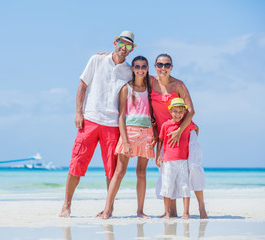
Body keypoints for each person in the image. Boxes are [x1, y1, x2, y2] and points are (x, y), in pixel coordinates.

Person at [59, 31, 136, 217]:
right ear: (115, 42)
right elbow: (82, 86)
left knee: (111, 170)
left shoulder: (129, 72)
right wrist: (79, 112)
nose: (123, 48)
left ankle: (108, 208)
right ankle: (67, 204)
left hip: (112, 124)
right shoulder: (96, 59)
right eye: (121, 43)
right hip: (90, 120)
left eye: (128, 46)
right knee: (77, 163)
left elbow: (144, 86)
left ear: (132, 49)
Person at [99, 56, 156, 219]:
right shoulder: (126, 88)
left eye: (143, 67)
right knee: (120, 171)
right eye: (137, 66)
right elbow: (121, 116)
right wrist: (124, 140)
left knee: (141, 173)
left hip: (146, 133)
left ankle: (140, 211)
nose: (140, 70)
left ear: (147, 68)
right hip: (129, 133)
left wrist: (154, 135)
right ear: (132, 68)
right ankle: (107, 210)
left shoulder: (150, 88)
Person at [151, 53, 207, 219]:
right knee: (168, 173)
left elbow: (191, 111)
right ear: (155, 66)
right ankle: (172, 211)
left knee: (194, 169)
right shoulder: (150, 81)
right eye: (160, 65)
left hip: (185, 134)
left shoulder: (179, 85)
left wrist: (179, 131)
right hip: (166, 135)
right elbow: (132, 71)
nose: (163, 68)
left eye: (167, 65)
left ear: (171, 67)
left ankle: (202, 208)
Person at [155, 98, 195, 219]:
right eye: (175, 111)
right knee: (167, 186)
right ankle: (167, 213)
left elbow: (196, 128)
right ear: (170, 112)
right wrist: (158, 156)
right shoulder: (166, 125)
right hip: (168, 161)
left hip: (183, 160)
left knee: (184, 186)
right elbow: (160, 141)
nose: (178, 114)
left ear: (184, 112)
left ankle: (186, 213)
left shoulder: (187, 124)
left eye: (181, 111)